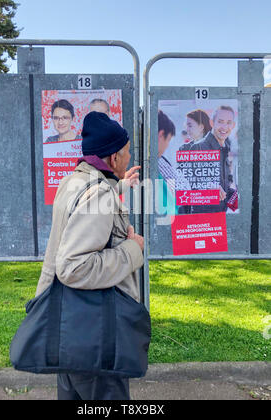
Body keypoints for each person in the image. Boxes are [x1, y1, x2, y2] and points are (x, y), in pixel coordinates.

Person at [36, 111, 145, 400]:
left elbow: (84, 206)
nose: (129, 155)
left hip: (69, 329)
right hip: (95, 339)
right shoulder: (99, 195)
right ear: (113, 159)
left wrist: (119, 186)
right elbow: (73, 266)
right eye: (126, 152)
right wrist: (133, 249)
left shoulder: (71, 181)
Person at [190, 105, 237, 213]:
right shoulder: (199, 147)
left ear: (233, 125)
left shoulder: (224, 148)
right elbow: (190, 180)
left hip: (219, 216)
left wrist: (235, 195)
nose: (224, 127)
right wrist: (209, 186)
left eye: (229, 123)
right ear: (212, 123)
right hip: (203, 218)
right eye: (220, 121)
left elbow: (224, 184)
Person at [157, 110, 190, 217]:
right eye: (168, 140)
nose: (166, 146)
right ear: (161, 135)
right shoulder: (159, 162)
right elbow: (182, 190)